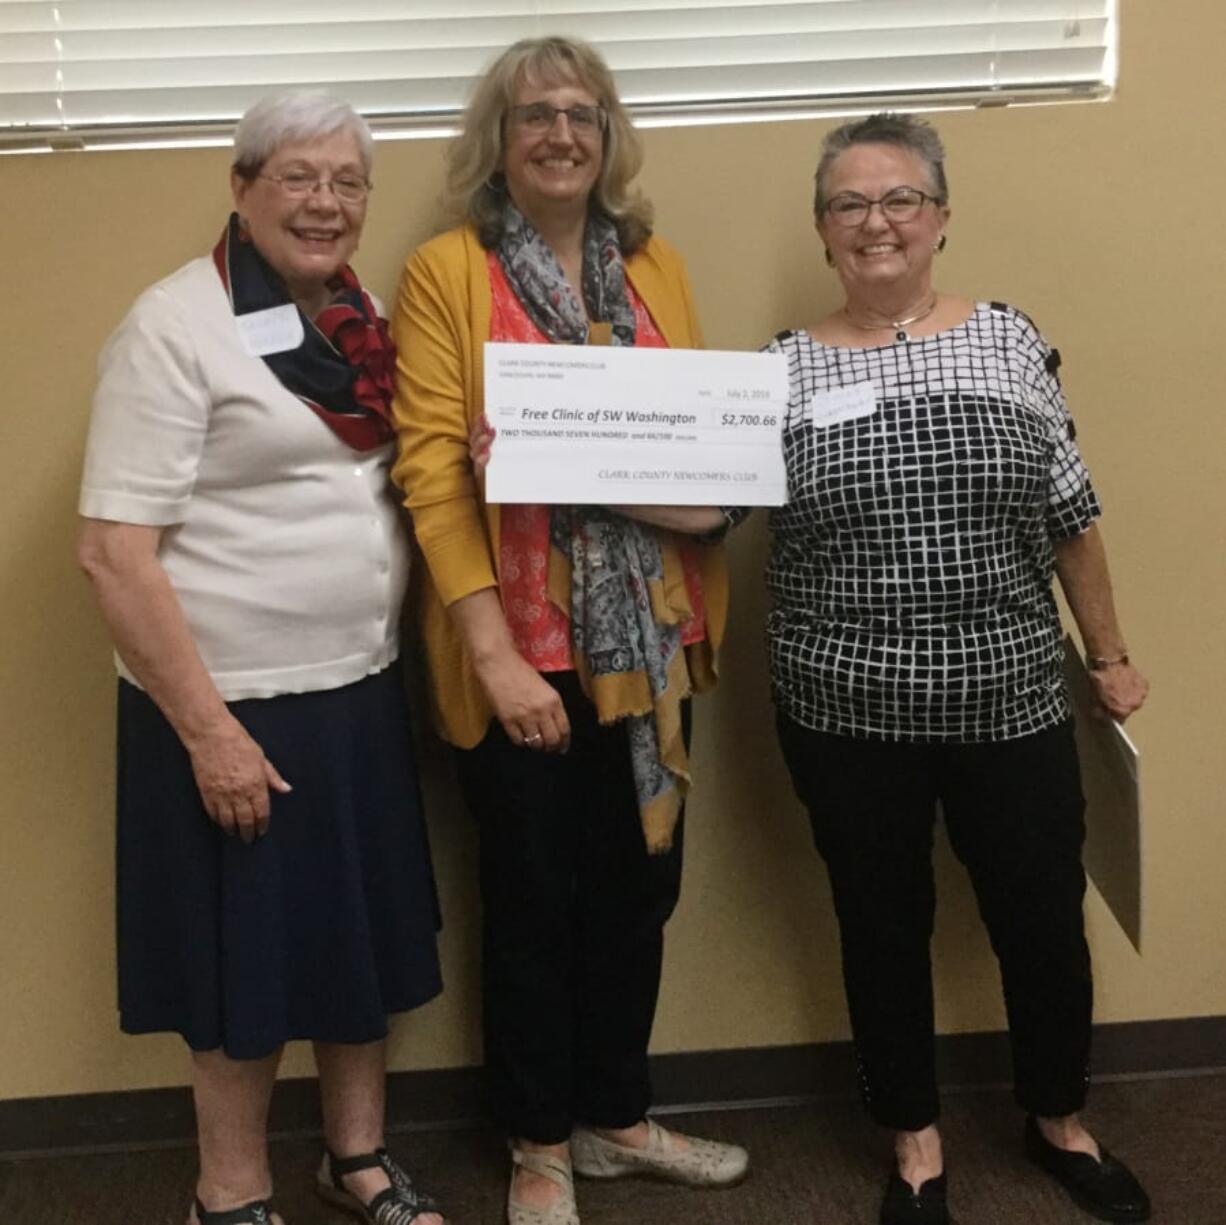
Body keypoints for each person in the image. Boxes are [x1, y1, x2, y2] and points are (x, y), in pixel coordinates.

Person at [761, 112, 1151, 1225]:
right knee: (878, 922)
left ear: (937, 217)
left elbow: (1070, 513)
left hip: (1013, 697)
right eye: (848, 203)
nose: (874, 221)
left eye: (897, 200)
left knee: (1037, 917)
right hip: (841, 709)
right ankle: (915, 1143)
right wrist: (553, 455)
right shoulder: (776, 369)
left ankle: (1059, 1117)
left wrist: (1109, 655)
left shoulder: (1008, 338)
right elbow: (705, 507)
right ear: (822, 229)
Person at [390, 35, 748, 1225]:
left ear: (608, 134)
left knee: (639, 893)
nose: (559, 133)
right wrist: (491, 654)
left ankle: (615, 1116)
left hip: (647, 652)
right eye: (533, 113)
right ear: (499, 137)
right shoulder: (448, 270)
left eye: (580, 113)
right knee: (534, 900)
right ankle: (538, 1142)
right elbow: (433, 476)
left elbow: (696, 445)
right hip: (520, 649)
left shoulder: (655, 266)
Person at [77, 92, 446, 1225]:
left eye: (346, 181)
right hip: (231, 709)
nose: (325, 203)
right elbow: (111, 554)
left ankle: (357, 1159)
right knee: (241, 974)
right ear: (241, 188)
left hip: (357, 692)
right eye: (296, 176)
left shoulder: (360, 319)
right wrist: (209, 734)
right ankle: (228, 1191)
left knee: (359, 949)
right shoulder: (173, 325)